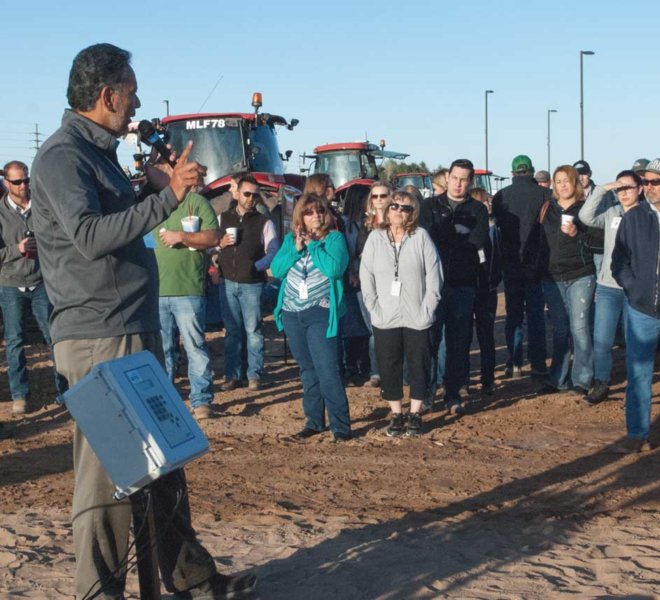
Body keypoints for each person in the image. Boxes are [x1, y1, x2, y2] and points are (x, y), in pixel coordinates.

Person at [30, 43, 255, 599]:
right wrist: (169, 196)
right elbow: (88, 238)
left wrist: (147, 189)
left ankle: (194, 581)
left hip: (128, 328)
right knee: (108, 484)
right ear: (107, 94)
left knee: (162, 466)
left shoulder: (97, 154)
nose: (138, 102)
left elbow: (107, 217)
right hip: (98, 336)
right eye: (131, 90)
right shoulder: (62, 156)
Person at [360, 190, 442, 436]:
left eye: (405, 208)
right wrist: (373, 308)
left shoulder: (421, 237)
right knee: (389, 366)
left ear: (413, 212)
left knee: (419, 365)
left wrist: (427, 309)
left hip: (417, 316)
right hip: (385, 317)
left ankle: (415, 413)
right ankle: (396, 413)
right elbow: (367, 275)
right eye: (394, 206)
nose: (398, 211)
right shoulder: (375, 238)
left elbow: (434, 276)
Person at [271, 194, 351, 441]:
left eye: (319, 211)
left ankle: (341, 427)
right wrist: (296, 249)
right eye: (309, 212)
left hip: (320, 311)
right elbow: (276, 270)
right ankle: (314, 421)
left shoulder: (334, 239)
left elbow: (334, 269)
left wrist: (314, 246)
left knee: (327, 370)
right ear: (300, 218)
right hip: (293, 313)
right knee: (307, 370)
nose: (315, 216)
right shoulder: (289, 240)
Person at [420, 158, 489, 414]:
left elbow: (475, 242)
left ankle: (452, 394)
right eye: (455, 177)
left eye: (464, 179)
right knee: (429, 341)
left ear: (471, 181)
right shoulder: (428, 206)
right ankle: (426, 394)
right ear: (447, 177)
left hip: (463, 284)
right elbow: (426, 240)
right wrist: (458, 233)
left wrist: (451, 237)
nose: (459, 183)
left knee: (458, 343)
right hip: (432, 285)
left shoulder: (478, 210)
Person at [0, 160, 67, 415]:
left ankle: (65, 392)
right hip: (10, 283)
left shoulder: (42, 206)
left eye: (26, 180)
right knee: (15, 342)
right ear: (7, 183)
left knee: (54, 338)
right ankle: (20, 395)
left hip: (42, 281)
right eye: (17, 182)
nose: (23, 185)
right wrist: (15, 250)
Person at [531, 165, 598, 395]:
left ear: (575, 183)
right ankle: (557, 378)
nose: (563, 185)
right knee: (560, 329)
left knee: (579, 327)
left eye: (567, 180)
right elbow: (539, 243)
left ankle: (581, 379)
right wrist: (538, 271)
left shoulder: (585, 209)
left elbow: (597, 239)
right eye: (558, 181)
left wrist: (578, 232)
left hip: (581, 274)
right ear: (554, 185)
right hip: (552, 277)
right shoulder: (547, 209)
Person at [578, 170, 643, 405]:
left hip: (635, 289)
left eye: (629, 187)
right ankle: (601, 382)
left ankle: (635, 385)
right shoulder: (611, 213)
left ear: (640, 189)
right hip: (608, 286)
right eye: (620, 188)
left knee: (634, 339)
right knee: (602, 339)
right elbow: (586, 216)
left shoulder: (646, 215)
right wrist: (603, 189)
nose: (624, 192)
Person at [154, 190, 220, 420]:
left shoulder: (197, 203)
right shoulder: (153, 204)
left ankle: (201, 400)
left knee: (194, 347)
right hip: (157, 291)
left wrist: (181, 236)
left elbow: (213, 238)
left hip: (189, 289)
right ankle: (164, 398)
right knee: (162, 350)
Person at [610, 158, 660, 453]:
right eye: (646, 182)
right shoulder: (634, 218)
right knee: (639, 373)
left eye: (655, 182)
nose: (648, 187)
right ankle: (637, 433)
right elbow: (619, 261)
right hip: (642, 308)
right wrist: (633, 288)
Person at [217, 174, 279, 392]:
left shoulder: (264, 222)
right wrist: (219, 247)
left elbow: (273, 251)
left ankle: (254, 375)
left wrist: (258, 266)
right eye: (247, 194)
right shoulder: (222, 218)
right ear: (237, 194)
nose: (251, 198)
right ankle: (233, 375)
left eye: (255, 195)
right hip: (227, 282)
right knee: (232, 331)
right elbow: (212, 244)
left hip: (252, 284)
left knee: (253, 330)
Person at [491, 155, 550, 380]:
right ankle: (538, 363)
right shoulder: (545, 194)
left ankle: (514, 363)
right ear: (532, 171)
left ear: (513, 172)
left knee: (513, 315)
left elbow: (496, 228)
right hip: (537, 263)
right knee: (535, 314)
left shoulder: (501, 196)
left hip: (511, 262)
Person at [356, 181, 394, 388]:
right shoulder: (366, 224)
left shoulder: (398, 220)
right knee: (375, 328)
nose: (379, 200)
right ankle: (376, 371)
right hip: (371, 280)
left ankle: (394, 369)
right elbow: (361, 252)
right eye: (375, 196)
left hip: (393, 281)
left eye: (383, 195)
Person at [467, 187, 501, 396]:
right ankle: (467, 380)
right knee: (468, 336)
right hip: (473, 287)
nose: (488, 205)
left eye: (488, 202)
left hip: (485, 289)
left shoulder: (493, 230)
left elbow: (498, 259)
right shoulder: (482, 230)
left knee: (485, 336)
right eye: (484, 202)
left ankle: (487, 379)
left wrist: (493, 282)